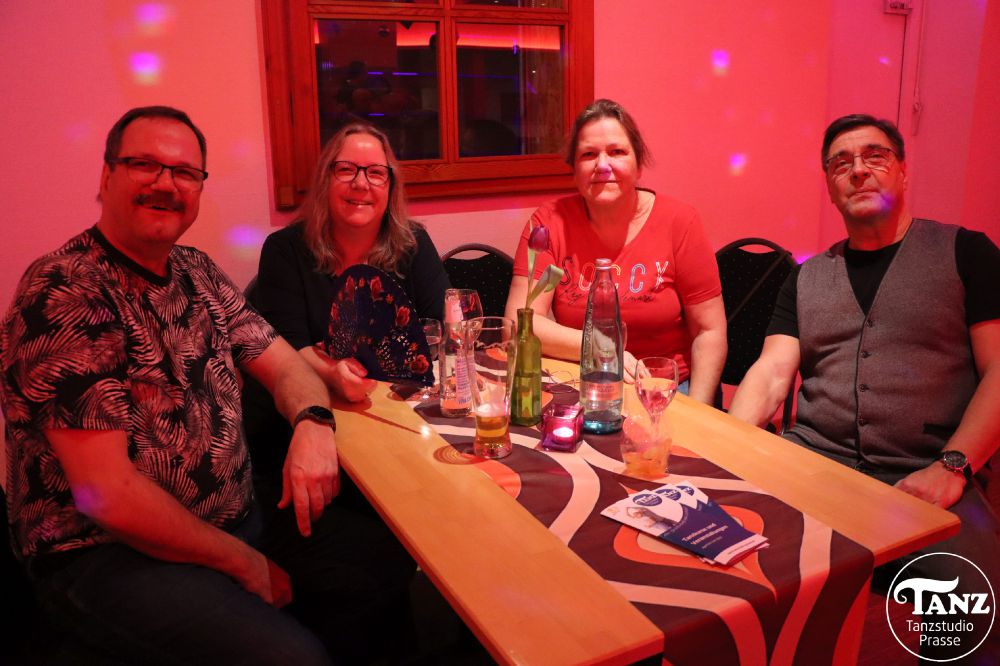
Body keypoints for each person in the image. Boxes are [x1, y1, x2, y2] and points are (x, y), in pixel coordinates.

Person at [0, 106, 400, 665]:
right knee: (291, 659)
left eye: (185, 172)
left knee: (384, 562)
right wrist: (243, 563)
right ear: (106, 176)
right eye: (145, 164)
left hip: (236, 515)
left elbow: (287, 366)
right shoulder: (67, 290)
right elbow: (107, 496)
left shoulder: (196, 271)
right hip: (103, 553)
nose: (166, 184)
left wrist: (313, 424)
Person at [729, 114, 1000, 663]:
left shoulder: (966, 253)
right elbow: (773, 371)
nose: (858, 170)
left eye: (875, 156)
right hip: (812, 464)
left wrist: (952, 468)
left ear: (902, 170)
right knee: (724, 559)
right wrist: (729, 447)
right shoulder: (805, 275)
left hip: (926, 472)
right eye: (841, 163)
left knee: (970, 607)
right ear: (830, 186)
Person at [504, 99, 726, 402]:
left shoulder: (680, 222)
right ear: (574, 170)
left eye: (617, 152)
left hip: (664, 388)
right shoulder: (549, 224)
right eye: (588, 154)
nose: (603, 165)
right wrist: (601, 347)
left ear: (638, 164)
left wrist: (699, 414)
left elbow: (709, 332)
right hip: (584, 381)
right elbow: (520, 324)